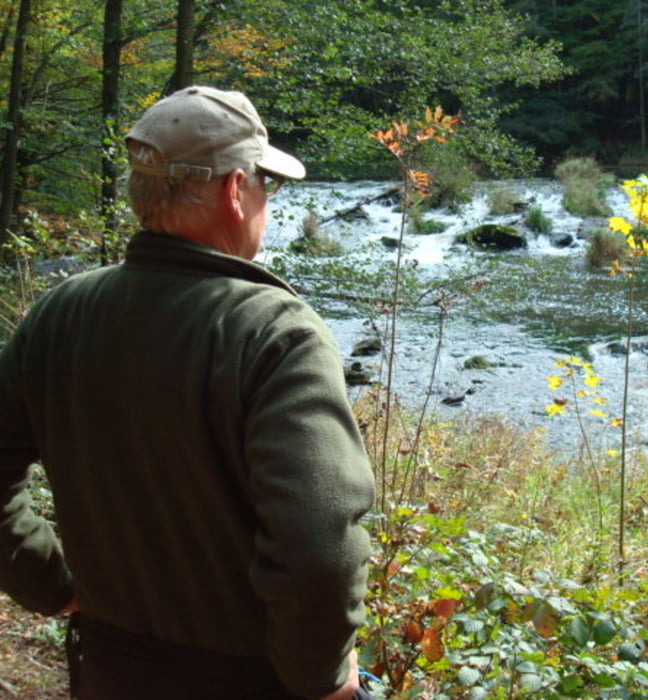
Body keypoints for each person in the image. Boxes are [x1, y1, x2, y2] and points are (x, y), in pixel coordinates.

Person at [0, 86, 375, 699]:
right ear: (234, 189)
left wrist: (47, 581)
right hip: (251, 681)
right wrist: (322, 678)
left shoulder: (61, 312)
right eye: (266, 186)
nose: (265, 204)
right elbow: (318, 547)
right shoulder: (277, 332)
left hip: (108, 669)